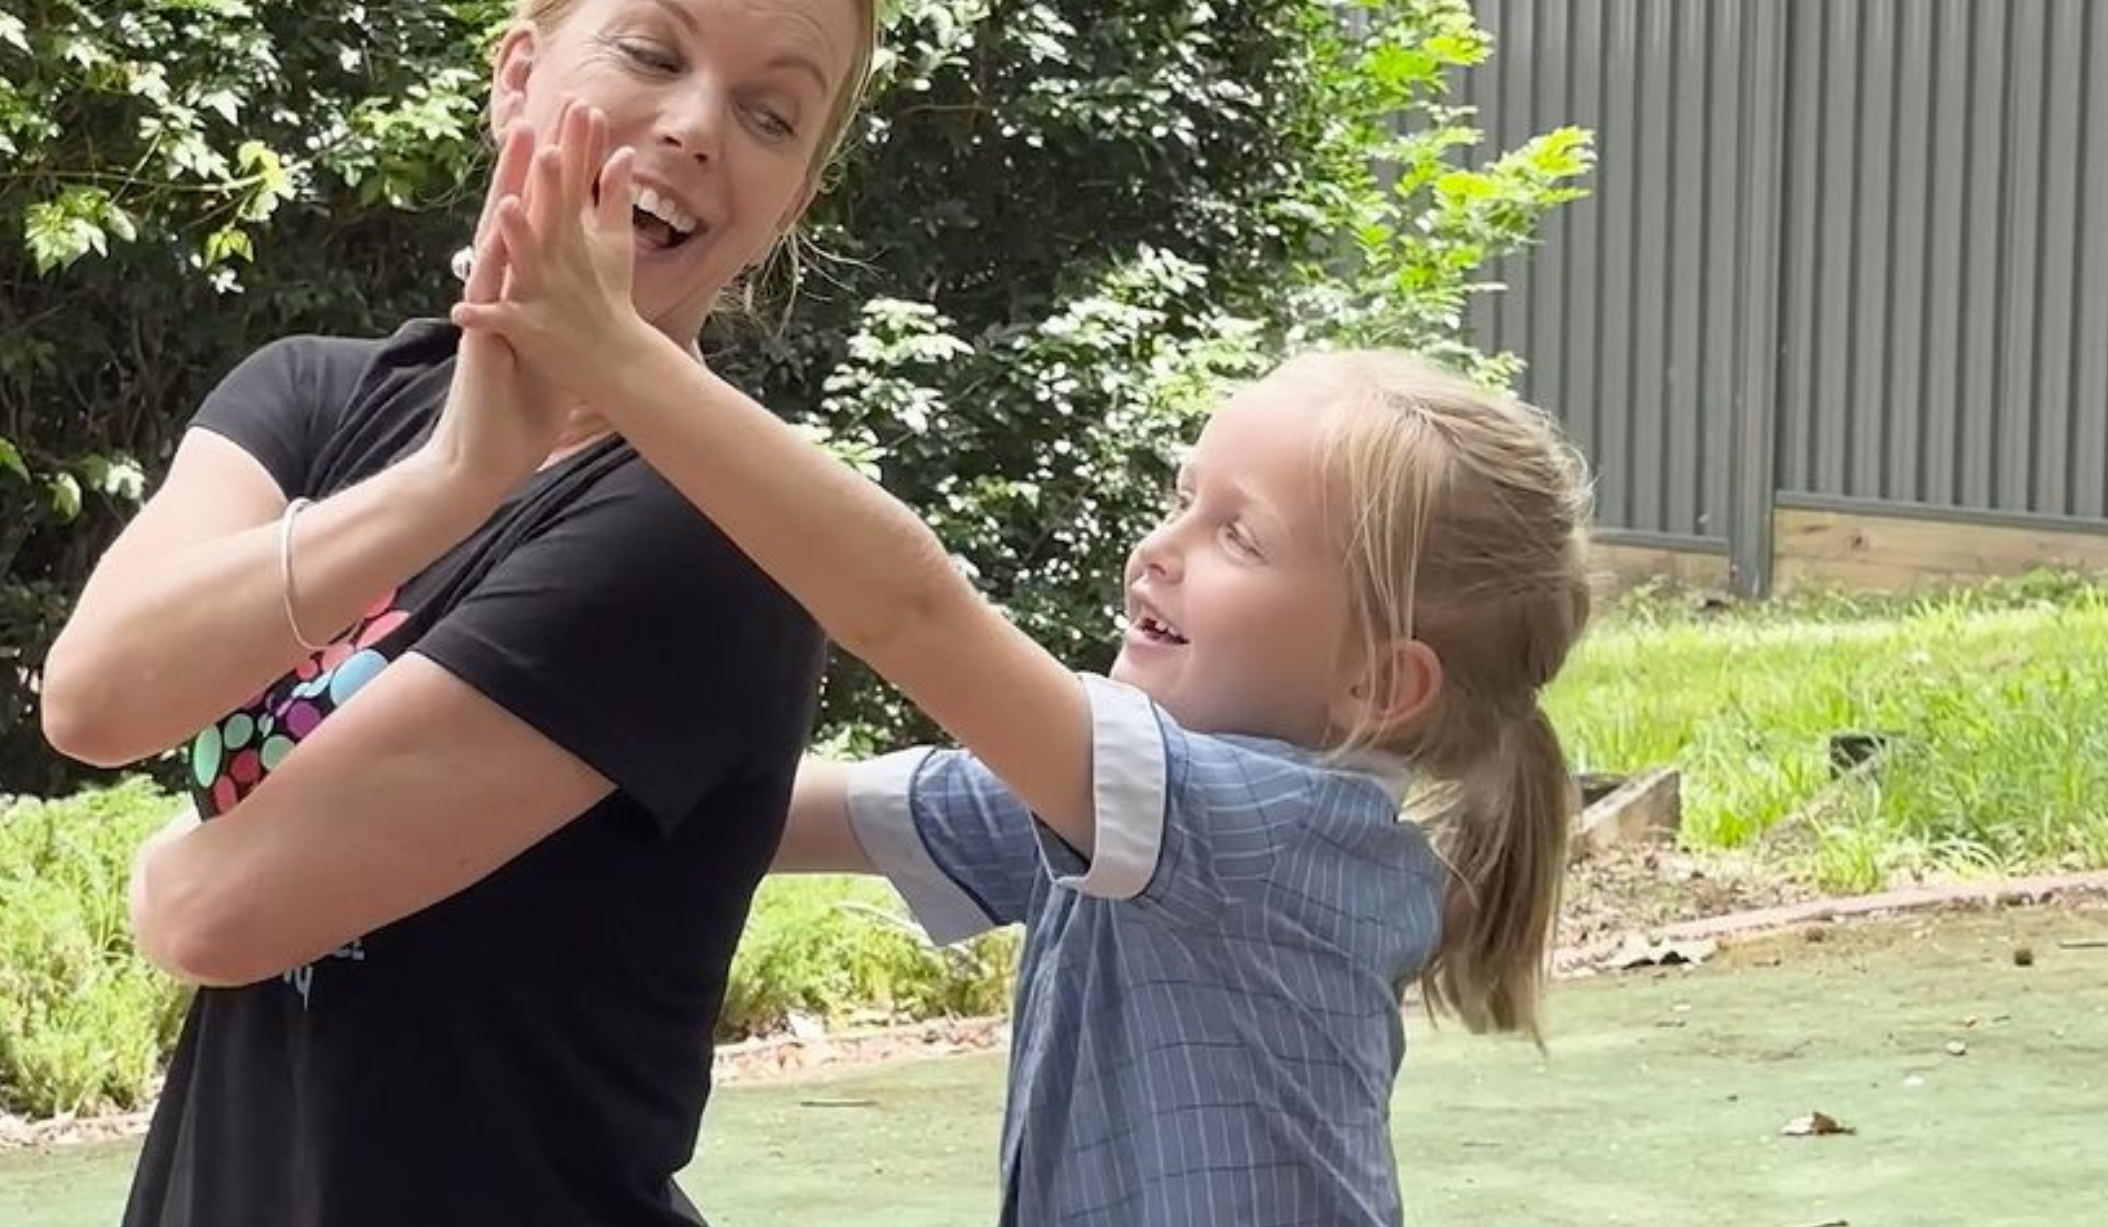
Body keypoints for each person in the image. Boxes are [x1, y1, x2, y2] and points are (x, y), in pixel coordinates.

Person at [454, 160, 1597, 1227]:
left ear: (1375, 683)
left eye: (1237, 536)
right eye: (1183, 496)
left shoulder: (1268, 829)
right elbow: (769, 806)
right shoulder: (1123, 814)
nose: (1160, 547)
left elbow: (908, 612)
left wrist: (624, 362)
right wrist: (448, 784)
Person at [38, 0, 882, 1227]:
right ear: (518, 77)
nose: (692, 126)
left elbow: (219, 911)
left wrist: (159, 869)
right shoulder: (318, 396)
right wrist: (450, 478)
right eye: (652, 51)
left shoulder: (710, 536)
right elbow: (95, 699)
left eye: (771, 117)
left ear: (790, 204)